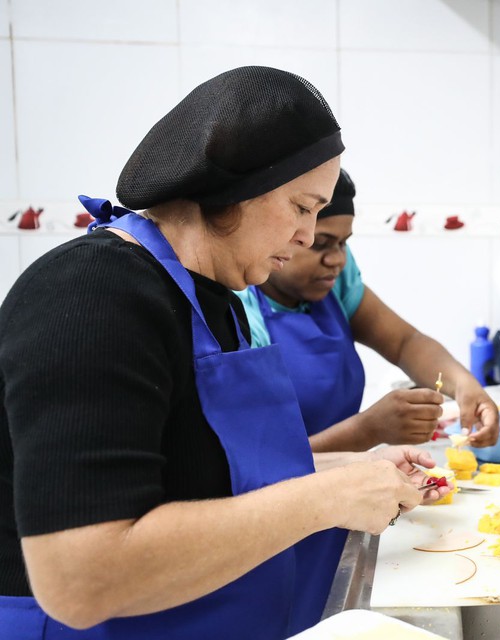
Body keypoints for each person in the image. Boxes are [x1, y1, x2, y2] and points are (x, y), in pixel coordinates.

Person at [0, 66, 448, 639]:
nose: (309, 237)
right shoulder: (90, 295)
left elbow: (215, 478)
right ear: (235, 191)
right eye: (302, 208)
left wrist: (356, 470)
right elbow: (80, 580)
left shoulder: (219, 301)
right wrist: (329, 496)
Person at [235, 168, 500, 453]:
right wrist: (367, 430)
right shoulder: (239, 313)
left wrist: (465, 387)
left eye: (343, 243)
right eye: (321, 244)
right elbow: (259, 461)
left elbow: (404, 343)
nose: (336, 259)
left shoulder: (333, 283)